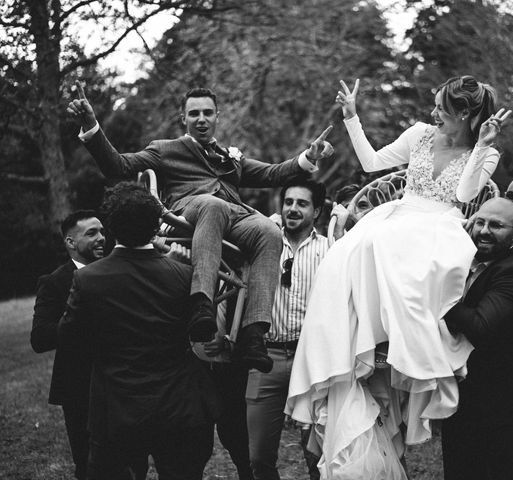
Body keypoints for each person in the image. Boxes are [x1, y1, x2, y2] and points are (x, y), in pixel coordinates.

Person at [285, 76, 511, 477]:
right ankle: (361, 342)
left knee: (402, 255)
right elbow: (373, 163)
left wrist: (481, 147)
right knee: (349, 250)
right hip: (399, 216)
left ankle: (401, 346)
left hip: (441, 225)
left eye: (441, 106)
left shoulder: (487, 151)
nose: (433, 112)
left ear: (464, 113)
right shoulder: (420, 134)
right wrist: (352, 118)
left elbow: (463, 195)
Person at [67, 84, 334, 373]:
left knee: (269, 230)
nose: (201, 119)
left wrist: (309, 157)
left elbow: (271, 173)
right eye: (194, 114)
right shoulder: (164, 150)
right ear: (184, 118)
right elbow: (118, 166)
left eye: (208, 113)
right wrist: (91, 126)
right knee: (212, 205)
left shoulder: (230, 156)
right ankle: (201, 305)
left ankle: (253, 333)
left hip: (234, 215)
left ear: (217, 116)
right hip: (190, 209)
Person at [58, 182, 221, 480]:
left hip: (118, 410)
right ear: (156, 224)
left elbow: (70, 340)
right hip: (180, 407)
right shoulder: (184, 274)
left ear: (111, 226)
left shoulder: (88, 279)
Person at [441, 198, 513, 480]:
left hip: (503, 407)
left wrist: (435, 295)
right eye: (480, 222)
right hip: (465, 400)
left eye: (496, 225)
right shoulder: (466, 261)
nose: (484, 230)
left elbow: (481, 325)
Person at [244, 179, 330, 480]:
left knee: (317, 453)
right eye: (289, 202)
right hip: (267, 359)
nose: (293, 208)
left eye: (302, 203)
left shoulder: (331, 249)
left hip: (313, 361)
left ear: (316, 211)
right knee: (257, 457)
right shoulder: (261, 242)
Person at [30, 211, 105, 480]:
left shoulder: (115, 270)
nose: (101, 239)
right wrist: (77, 319)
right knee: (88, 464)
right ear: (71, 243)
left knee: (131, 459)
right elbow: (39, 338)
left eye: (102, 232)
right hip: (80, 387)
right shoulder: (54, 282)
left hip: (123, 380)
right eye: (91, 233)